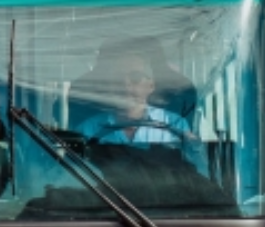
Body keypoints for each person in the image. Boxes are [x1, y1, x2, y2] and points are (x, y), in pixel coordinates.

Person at [70, 43, 207, 175]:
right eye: (118, 78)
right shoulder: (87, 130)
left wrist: (195, 146)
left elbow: (194, 173)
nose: (125, 84)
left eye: (135, 77)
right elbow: (71, 173)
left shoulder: (175, 125)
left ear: (151, 85)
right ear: (109, 86)